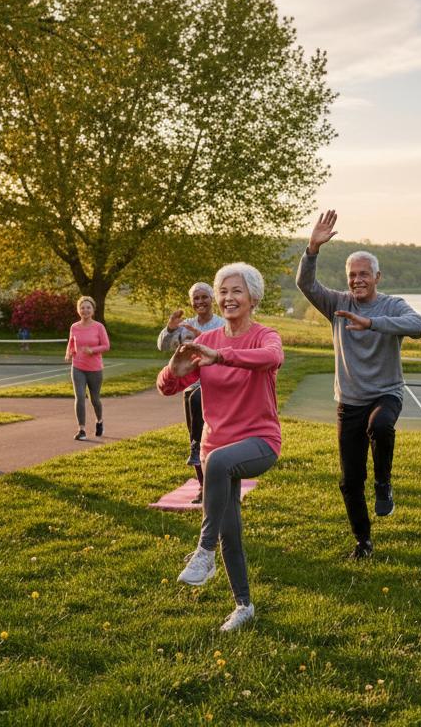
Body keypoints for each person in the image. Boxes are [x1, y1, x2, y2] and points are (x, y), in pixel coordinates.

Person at [158, 262, 283, 632]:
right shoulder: (206, 341)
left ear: (253, 298)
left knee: (217, 461)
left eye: (237, 291)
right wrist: (174, 367)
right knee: (231, 529)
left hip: (259, 441)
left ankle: (203, 550)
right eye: (223, 291)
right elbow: (167, 387)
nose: (228, 298)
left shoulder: (265, 335)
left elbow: (272, 358)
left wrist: (222, 356)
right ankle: (243, 605)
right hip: (218, 451)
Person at [297, 209, 421, 559]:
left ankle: (384, 483)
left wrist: (371, 323)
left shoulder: (393, 305)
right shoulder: (337, 304)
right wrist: (312, 248)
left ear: (377, 276)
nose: (357, 280)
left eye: (364, 274)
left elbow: (418, 326)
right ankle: (363, 541)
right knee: (349, 480)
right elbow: (305, 285)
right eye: (352, 275)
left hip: (386, 393)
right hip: (349, 402)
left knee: (381, 425)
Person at [157, 282, 227, 503]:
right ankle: (202, 481)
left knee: (196, 399)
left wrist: (201, 339)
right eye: (195, 298)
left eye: (204, 297)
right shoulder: (186, 325)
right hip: (193, 380)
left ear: (212, 299)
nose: (200, 302)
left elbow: (227, 351)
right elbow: (163, 346)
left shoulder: (221, 324)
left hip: (217, 379)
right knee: (192, 404)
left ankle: (217, 477)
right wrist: (170, 328)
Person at [65, 296, 110, 440]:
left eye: (88, 307)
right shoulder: (74, 327)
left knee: (94, 399)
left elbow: (106, 346)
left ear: (93, 310)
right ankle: (82, 430)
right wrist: (69, 353)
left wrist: (93, 350)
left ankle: (99, 421)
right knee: (79, 397)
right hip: (77, 366)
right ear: (78, 310)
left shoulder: (98, 327)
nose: (85, 310)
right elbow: (72, 342)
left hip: (95, 368)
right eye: (82, 308)